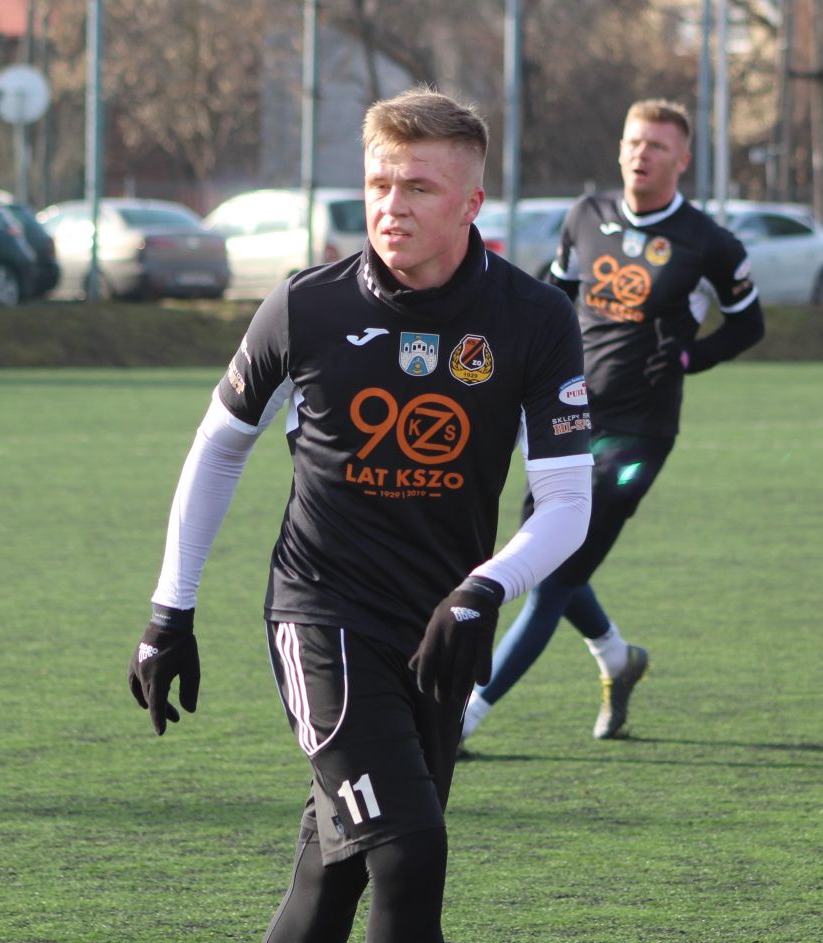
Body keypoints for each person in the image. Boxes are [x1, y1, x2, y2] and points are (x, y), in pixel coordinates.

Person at [126, 88, 594, 943]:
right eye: (379, 183)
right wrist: (170, 609)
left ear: (471, 203)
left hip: (439, 632)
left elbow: (567, 502)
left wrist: (484, 589)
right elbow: (218, 448)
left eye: (418, 187)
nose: (391, 206)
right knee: (410, 854)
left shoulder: (533, 318)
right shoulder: (308, 306)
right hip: (322, 618)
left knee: (332, 875)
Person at [462, 98, 765, 746]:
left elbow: (749, 324)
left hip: (640, 434)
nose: (640, 154)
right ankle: (617, 656)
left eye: (657, 146)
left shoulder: (709, 242)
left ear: (682, 161)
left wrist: (688, 357)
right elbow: (553, 298)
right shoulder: (586, 214)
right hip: (566, 415)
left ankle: (464, 717)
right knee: (548, 553)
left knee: (550, 576)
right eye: (633, 142)